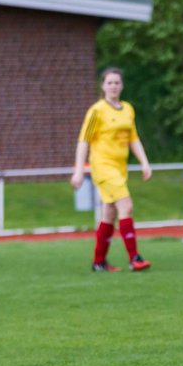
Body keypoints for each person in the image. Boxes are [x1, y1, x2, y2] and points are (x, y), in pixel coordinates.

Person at [70, 67, 153, 272]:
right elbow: (84, 141)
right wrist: (79, 170)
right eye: (109, 83)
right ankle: (135, 258)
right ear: (103, 86)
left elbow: (133, 138)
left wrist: (144, 162)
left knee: (109, 214)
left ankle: (99, 262)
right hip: (103, 166)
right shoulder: (97, 111)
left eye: (117, 82)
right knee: (126, 205)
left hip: (119, 167)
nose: (114, 86)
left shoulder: (127, 109)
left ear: (122, 85)